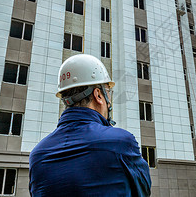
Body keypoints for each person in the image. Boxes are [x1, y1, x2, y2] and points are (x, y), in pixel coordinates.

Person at [29, 54, 151, 196]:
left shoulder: (37, 155)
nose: (109, 101)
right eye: (108, 92)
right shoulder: (121, 143)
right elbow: (143, 190)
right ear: (98, 95)